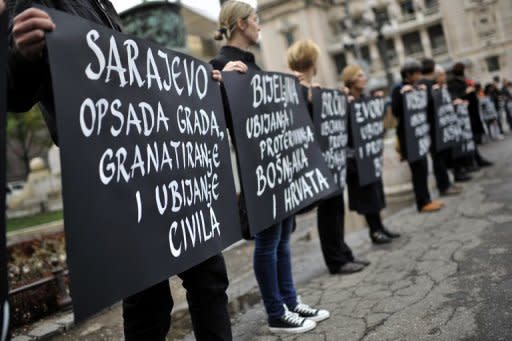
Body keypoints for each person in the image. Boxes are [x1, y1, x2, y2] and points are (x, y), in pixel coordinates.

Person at [7, 2, 232, 340]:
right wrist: (20, 55)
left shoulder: (102, 4)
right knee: (148, 297)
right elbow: (14, 92)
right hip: (115, 173)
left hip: (157, 161)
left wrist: (199, 83)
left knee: (209, 274)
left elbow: (135, 82)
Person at [210, 1, 328, 334]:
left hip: (275, 163)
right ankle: (277, 311)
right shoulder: (219, 65)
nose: (259, 25)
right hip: (256, 168)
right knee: (268, 241)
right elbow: (220, 118)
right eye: (256, 19)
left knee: (282, 238)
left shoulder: (253, 66)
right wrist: (221, 84)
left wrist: (289, 90)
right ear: (241, 24)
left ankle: (290, 301)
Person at [286, 40, 369, 273]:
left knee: (335, 207)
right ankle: (336, 260)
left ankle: (343, 253)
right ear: (313, 61)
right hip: (316, 159)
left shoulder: (313, 88)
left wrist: (335, 98)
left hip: (329, 158)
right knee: (329, 211)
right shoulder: (295, 87)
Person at [341, 65, 401, 244]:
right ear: (351, 80)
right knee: (367, 195)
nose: (364, 78)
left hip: (369, 154)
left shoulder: (366, 99)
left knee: (375, 192)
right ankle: (374, 231)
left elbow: (374, 123)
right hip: (356, 158)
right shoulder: (345, 101)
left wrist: (378, 105)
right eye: (360, 76)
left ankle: (380, 227)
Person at [391, 60, 444, 213]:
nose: (420, 76)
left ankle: (427, 199)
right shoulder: (398, 89)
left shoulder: (418, 87)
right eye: (417, 73)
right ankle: (422, 202)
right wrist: (404, 95)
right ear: (408, 74)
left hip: (420, 135)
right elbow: (396, 112)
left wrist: (422, 92)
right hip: (409, 138)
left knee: (423, 168)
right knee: (417, 171)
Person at [420, 59, 464, 195]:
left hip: (439, 126)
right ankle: (443, 186)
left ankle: (446, 183)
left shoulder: (433, 85)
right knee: (438, 159)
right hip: (432, 128)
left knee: (441, 157)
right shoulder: (425, 86)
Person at [447, 62, 493, 169]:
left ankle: (476, 159)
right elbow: (456, 98)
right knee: (468, 139)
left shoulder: (463, 81)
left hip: (472, 114)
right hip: (464, 116)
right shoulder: (453, 83)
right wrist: (466, 93)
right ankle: (471, 162)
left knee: (472, 139)